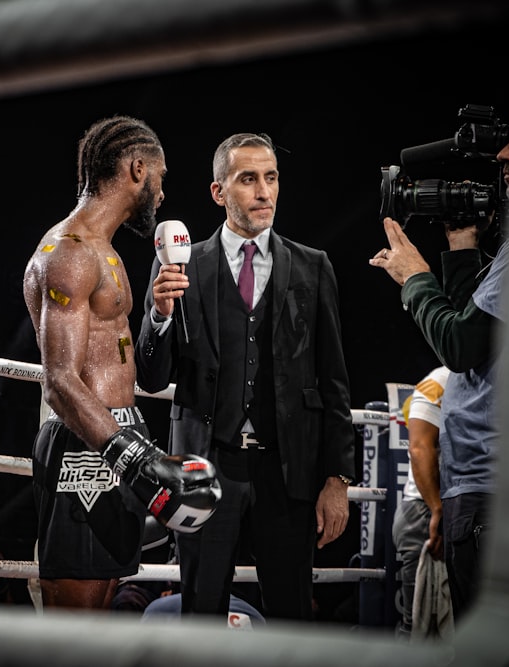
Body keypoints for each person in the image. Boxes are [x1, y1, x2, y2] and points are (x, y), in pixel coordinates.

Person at [134, 132, 357, 621]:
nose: (264, 191)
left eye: (271, 177)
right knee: (201, 611)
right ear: (219, 192)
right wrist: (160, 314)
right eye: (248, 179)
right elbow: (151, 379)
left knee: (291, 614)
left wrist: (337, 478)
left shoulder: (314, 267)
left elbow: (334, 380)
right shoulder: (182, 261)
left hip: (288, 469)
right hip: (207, 466)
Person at [22, 115, 221, 611]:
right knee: (76, 633)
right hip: (85, 449)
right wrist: (137, 457)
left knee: (104, 617)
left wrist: (159, 314)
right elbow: (60, 382)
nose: (161, 195)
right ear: (138, 169)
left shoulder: (105, 252)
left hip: (119, 437)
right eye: (161, 178)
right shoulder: (68, 254)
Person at [370, 90, 509, 623]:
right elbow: (477, 332)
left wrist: (415, 277)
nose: (504, 155)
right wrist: (462, 246)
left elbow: (461, 347)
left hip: (495, 491)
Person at [391, 365, 449, 639]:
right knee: (418, 629)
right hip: (425, 512)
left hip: (447, 509)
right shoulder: (441, 380)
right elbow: (419, 447)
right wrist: (437, 508)